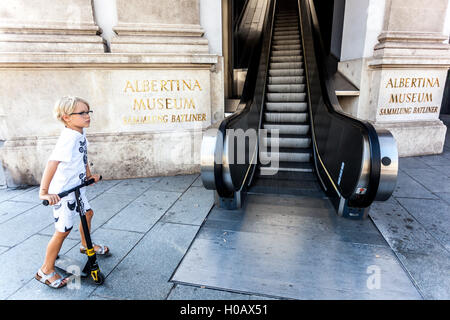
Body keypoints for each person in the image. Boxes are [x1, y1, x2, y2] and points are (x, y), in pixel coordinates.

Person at [36, 96, 109, 289]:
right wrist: (44, 192)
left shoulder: (79, 133)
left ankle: (86, 246)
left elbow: (82, 156)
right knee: (63, 231)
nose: (87, 116)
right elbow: (52, 163)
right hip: (63, 193)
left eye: (88, 111)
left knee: (88, 213)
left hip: (77, 188)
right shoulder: (67, 139)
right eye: (82, 113)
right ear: (66, 117)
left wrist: (88, 175)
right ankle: (45, 270)